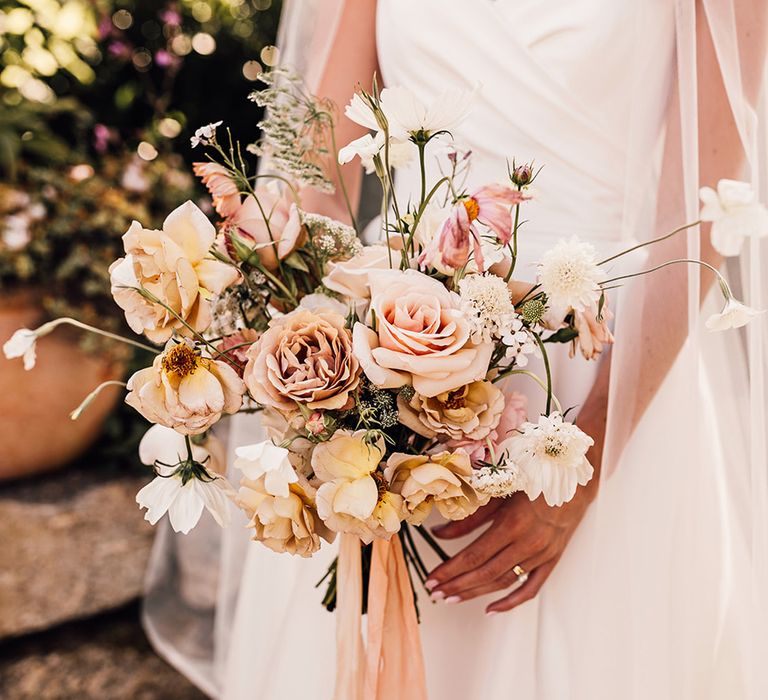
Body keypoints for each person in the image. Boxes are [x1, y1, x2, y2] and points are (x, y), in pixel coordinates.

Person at [143, 1, 768, 698]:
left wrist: (583, 464)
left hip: (600, 372)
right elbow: (315, 174)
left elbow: (698, 216)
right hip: (385, 346)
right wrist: (302, 347)